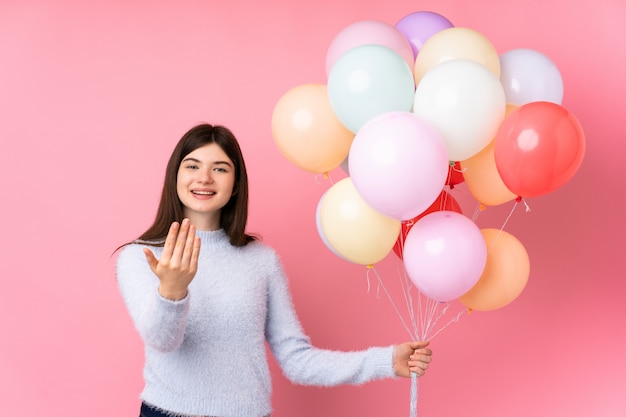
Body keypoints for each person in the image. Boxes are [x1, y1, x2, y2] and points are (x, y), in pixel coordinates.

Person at [116, 123, 433, 417]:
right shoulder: (140, 257)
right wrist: (172, 290)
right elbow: (162, 342)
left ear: (236, 184)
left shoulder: (261, 260)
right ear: (175, 175)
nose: (204, 178)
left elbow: (298, 361)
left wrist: (385, 361)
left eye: (220, 168)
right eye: (193, 166)